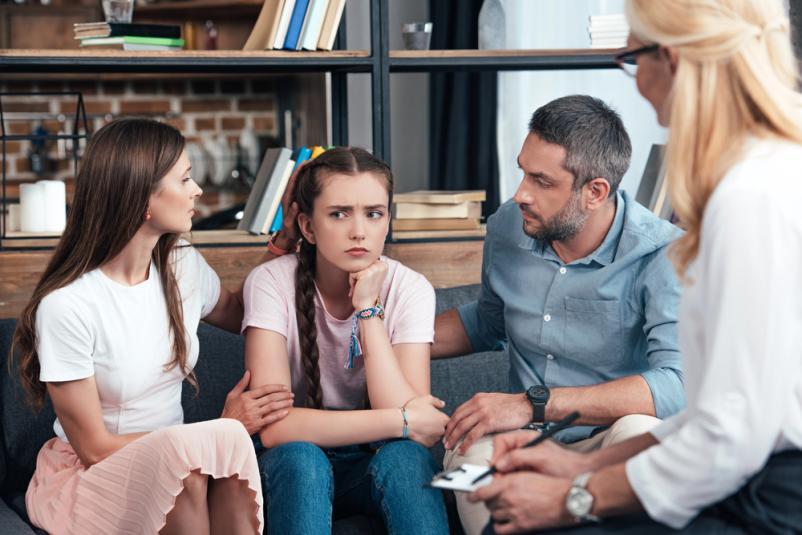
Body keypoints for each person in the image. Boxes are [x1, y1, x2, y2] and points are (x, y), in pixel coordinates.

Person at [470, 0, 802, 533]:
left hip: (770, 498)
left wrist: (575, 497)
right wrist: (582, 465)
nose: (636, 79)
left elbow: (729, 432)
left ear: (670, 58)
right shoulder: (766, 171)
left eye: (632, 55)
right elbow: (718, 412)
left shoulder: (750, 198)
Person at [11, 118, 295, 535]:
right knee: (193, 467)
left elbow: (240, 311)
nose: (197, 190)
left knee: (204, 464)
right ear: (141, 197)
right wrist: (220, 428)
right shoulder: (68, 306)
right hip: (92, 476)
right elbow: (93, 449)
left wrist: (284, 239)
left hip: (180, 461)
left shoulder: (179, 264)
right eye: (184, 179)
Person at [433, 94, 685, 534]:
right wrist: (369, 336)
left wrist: (531, 403)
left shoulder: (664, 255)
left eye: (541, 181)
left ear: (595, 192)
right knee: (474, 459)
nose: (520, 193)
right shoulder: (508, 226)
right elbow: (489, 324)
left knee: (644, 436)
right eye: (522, 171)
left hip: (613, 436)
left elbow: (677, 384)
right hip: (520, 439)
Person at [242, 147, 451, 534]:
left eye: (374, 214)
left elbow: (416, 431)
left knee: (405, 459)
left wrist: (368, 308)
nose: (359, 231)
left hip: (371, 459)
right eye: (339, 214)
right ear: (307, 226)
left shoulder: (411, 289)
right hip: (291, 462)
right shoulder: (270, 283)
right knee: (302, 458)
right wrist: (402, 420)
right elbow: (274, 428)